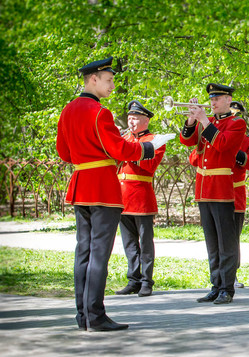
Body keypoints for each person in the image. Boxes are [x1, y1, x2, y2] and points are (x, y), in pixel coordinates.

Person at [56, 56, 167, 331]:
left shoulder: (67, 110)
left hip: (80, 183)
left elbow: (63, 153)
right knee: (98, 254)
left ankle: (82, 315)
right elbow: (120, 150)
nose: (112, 85)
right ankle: (96, 315)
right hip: (102, 188)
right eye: (109, 80)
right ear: (93, 79)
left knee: (83, 251)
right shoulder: (99, 112)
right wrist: (148, 149)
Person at [180, 83, 246, 305]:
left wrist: (205, 122)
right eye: (211, 99)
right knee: (211, 242)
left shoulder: (236, 123)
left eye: (217, 98)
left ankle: (227, 288)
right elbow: (187, 141)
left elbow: (224, 145)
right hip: (203, 188)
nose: (213, 102)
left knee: (226, 242)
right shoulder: (205, 123)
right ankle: (215, 285)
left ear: (228, 100)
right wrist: (191, 121)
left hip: (221, 189)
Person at [115, 101, 166, 298]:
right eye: (129, 117)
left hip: (141, 197)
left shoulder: (154, 140)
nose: (131, 121)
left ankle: (146, 280)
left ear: (146, 120)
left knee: (145, 242)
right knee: (129, 243)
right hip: (122, 197)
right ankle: (133, 280)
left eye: (135, 118)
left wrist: (129, 149)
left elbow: (149, 166)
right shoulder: (125, 138)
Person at [230, 101, 249, 288]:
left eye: (237, 116)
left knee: (233, 237)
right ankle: (217, 275)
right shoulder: (212, 134)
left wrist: (238, 154)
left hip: (236, 193)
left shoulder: (247, 140)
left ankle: (232, 274)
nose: (235, 119)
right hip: (215, 191)